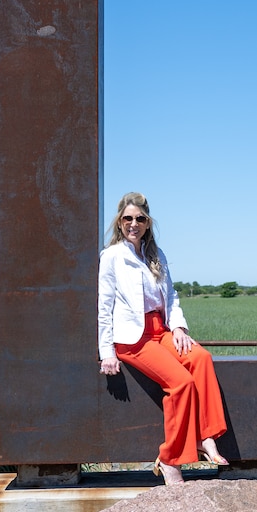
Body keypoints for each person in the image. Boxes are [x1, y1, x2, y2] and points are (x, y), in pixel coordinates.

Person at [97, 193, 229, 486]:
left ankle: (205, 436)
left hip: (162, 330)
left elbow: (170, 296)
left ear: (147, 223)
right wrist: (106, 351)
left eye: (140, 219)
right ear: (120, 222)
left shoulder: (156, 254)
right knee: (180, 384)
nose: (134, 224)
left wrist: (179, 328)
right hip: (133, 339)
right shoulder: (112, 257)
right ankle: (170, 459)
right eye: (128, 218)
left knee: (201, 358)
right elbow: (103, 306)